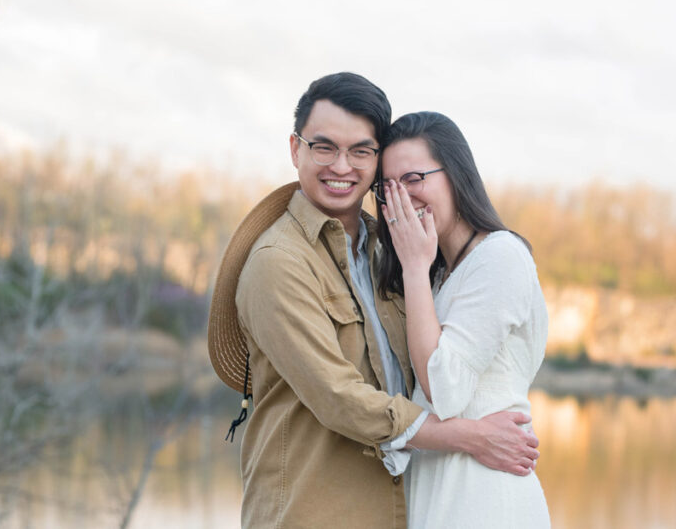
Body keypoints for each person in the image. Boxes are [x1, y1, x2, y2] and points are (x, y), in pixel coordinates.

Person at [207, 73, 539, 528]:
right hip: (312, 513)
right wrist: (467, 436)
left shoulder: (395, 254)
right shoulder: (278, 262)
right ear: (295, 149)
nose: (342, 166)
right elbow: (337, 394)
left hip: (402, 510)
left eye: (361, 151)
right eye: (324, 147)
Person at [376, 111, 552, 528]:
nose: (402, 198)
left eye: (414, 179)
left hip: (484, 495)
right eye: (388, 188)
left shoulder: (500, 257)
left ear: (454, 175)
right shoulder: (439, 276)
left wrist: (415, 267)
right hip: (437, 490)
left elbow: (446, 390)